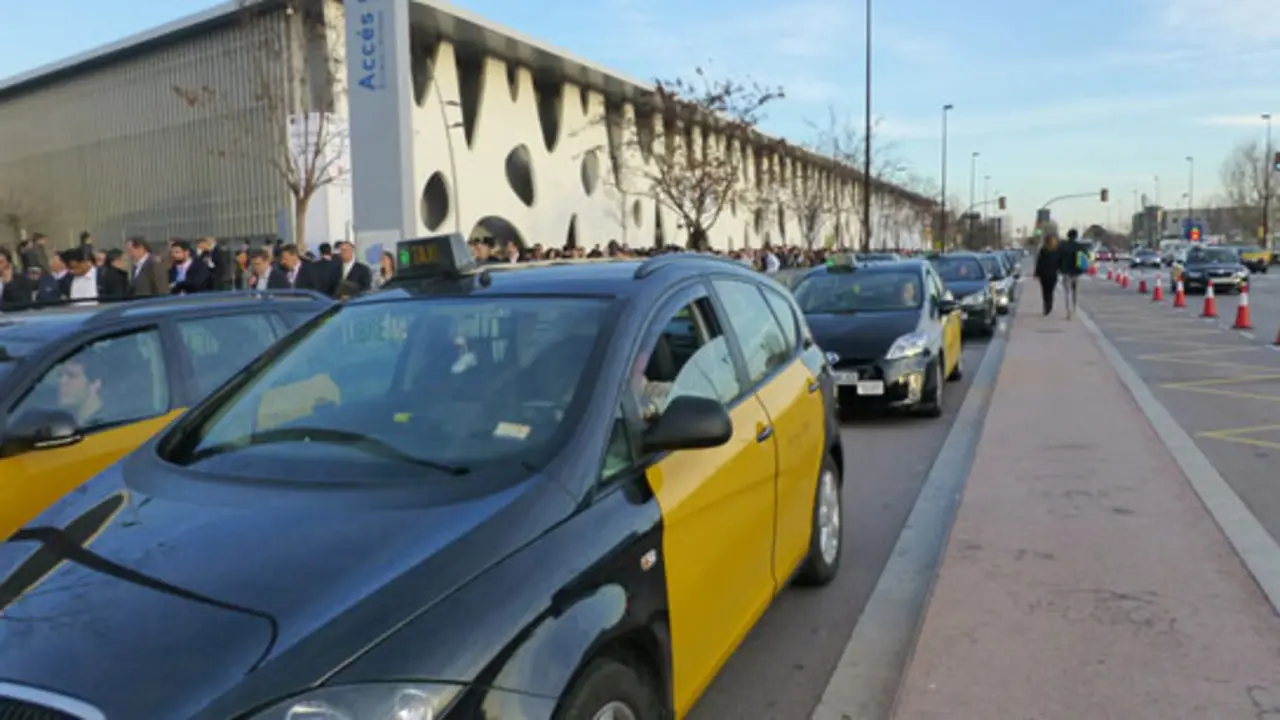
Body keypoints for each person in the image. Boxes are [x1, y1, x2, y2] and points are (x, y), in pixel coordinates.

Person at [1057, 228, 1086, 320]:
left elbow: (1058, 258)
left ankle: (1068, 311)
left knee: (1067, 292)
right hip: (1076, 272)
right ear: (1076, 236)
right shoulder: (1079, 246)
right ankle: (1074, 310)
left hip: (1065, 271)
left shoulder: (1062, 246)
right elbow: (1086, 257)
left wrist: (1058, 269)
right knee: (1074, 291)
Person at [1034, 234, 1060, 316]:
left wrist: (1037, 272)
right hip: (1052, 274)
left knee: (1045, 291)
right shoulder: (1056, 250)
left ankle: (1046, 306)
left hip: (1044, 274)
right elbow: (1059, 262)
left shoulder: (1043, 250)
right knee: (1050, 291)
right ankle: (1049, 305)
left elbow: (1039, 262)